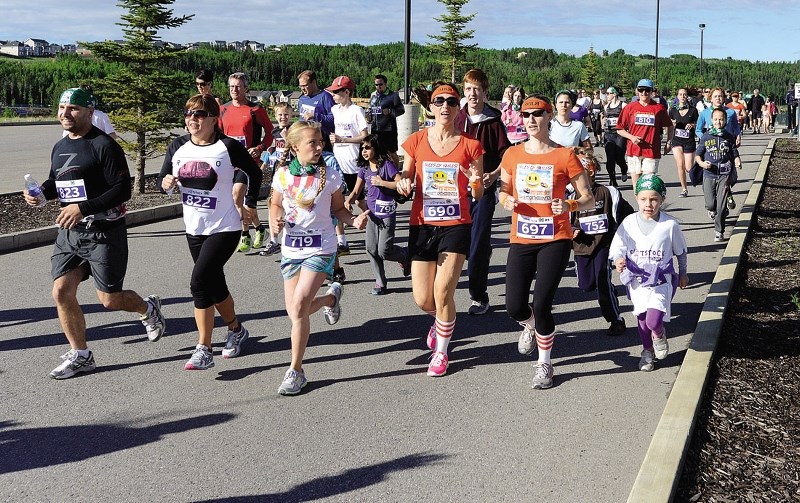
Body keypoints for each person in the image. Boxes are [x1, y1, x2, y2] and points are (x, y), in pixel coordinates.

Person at [24, 87, 165, 380]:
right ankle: (81, 354)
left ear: (90, 113)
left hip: (104, 233)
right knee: (61, 292)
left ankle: (147, 307)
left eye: (73, 108)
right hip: (71, 233)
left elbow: (122, 189)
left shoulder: (103, 145)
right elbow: (58, 180)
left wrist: (83, 208)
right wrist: (41, 193)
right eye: (62, 108)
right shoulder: (61, 146)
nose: (65, 113)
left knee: (109, 300)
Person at [498, 95, 595, 389]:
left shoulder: (564, 155)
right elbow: (502, 192)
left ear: (549, 117)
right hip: (522, 236)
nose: (531, 119)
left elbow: (588, 198)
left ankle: (545, 363)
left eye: (538, 114)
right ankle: (529, 324)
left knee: (542, 304)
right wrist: (506, 200)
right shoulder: (512, 155)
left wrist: (569, 206)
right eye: (526, 114)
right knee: (515, 306)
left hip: (555, 237)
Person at [159, 94, 262, 370]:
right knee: (215, 285)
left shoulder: (226, 147)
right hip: (194, 227)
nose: (192, 119)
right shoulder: (178, 146)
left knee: (199, 283)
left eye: (200, 114)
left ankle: (204, 348)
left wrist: (250, 203)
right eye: (188, 113)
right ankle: (237, 330)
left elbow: (255, 172)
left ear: (215, 119)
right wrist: (166, 182)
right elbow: (162, 180)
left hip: (225, 226)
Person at [269, 121, 368, 395]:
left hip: (321, 247)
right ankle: (330, 298)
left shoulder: (330, 176)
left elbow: (339, 210)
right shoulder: (283, 175)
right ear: (295, 146)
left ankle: (295, 371)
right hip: (291, 249)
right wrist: (274, 220)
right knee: (295, 312)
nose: (319, 146)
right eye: (312, 142)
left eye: (320, 142)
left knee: (299, 305)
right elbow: (275, 204)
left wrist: (353, 221)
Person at [396, 82, 485, 377]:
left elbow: (479, 192)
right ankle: (439, 321)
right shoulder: (416, 140)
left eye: (450, 101)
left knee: (443, 290)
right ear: (431, 107)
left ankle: (441, 352)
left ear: (457, 107)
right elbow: (405, 174)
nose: (444, 106)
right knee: (423, 299)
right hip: (422, 223)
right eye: (438, 101)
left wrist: (475, 180)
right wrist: (403, 182)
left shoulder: (471, 145)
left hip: (456, 224)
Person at [610, 174, 689, 372]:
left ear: (662, 199)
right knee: (642, 318)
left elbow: (681, 252)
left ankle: (659, 335)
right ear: (636, 198)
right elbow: (617, 247)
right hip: (636, 280)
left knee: (654, 320)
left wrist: (683, 274)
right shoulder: (628, 223)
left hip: (662, 279)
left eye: (654, 199)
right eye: (644, 199)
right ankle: (647, 351)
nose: (649, 204)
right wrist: (619, 260)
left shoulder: (669, 225)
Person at [455, 69, 512, 315]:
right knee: (458, 242)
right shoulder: (456, 118)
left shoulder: (493, 122)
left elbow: (507, 155)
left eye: (477, 89)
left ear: (485, 93)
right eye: (468, 89)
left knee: (477, 244)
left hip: (483, 191)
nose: (472, 94)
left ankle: (479, 296)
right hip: (456, 190)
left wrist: (494, 174)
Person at [568, 147, 634, 336]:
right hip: (582, 246)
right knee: (587, 285)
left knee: (603, 282)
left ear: (591, 171)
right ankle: (606, 288)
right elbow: (564, 221)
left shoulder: (608, 192)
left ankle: (616, 319)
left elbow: (626, 215)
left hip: (605, 246)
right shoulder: (571, 196)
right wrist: (573, 231)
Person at [345, 134, 409, 295]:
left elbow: (400, 183)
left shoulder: (386, 165)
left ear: (376, 148)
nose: (364, 151)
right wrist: (348, 201)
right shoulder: (364, 168)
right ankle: (380, 282)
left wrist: (382, 183)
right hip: (372, 214)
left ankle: (405, 255)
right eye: (362, 148)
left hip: (387, 213)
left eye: (367, 147)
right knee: (371, 249)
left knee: (384, 250)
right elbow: (356, 190)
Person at [218, 72, 274, 252]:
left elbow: (270, 133)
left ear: (246, 88)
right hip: (228, 161)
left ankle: (244, 234)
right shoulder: (223, 110)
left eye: (238, 86)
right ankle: (257, 229)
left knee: (236, 195)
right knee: (236, 200)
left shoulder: (255, 110)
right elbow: (218, 135)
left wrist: (259, 148)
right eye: (231, 86)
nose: (234, 90)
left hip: (248, 161)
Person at [328, 75, 369, 256]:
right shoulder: (334, 109)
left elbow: (364, 136)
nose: (334, 95)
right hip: (337, 163)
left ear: (347, 92)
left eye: (337, 92)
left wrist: (343, 139)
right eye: (333, 92)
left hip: (353, 164)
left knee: (358, 201)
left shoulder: (356, 111)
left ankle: (376, 220)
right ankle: (342, 243)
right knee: (336, 203)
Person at [615, 78, 674, 188]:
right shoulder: (629, 108)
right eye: (641, 90)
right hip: (634, 150)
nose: (644, 93)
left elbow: (670, 126)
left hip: (651, 150)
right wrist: (632, 137)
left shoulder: (659, 108)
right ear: (637, 91)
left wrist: (669, 142)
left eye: (647, 90)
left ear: (652, 91)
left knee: (647, 184)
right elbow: (619, 129)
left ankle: (648, 205)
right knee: (637, 185)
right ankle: (639, 206)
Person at [695, 107, 743, 242]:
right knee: (711, 204)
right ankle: (714, 210)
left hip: (724, 174)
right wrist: (702, 163)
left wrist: (737, 160)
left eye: (721, 119)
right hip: (709, 174)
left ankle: (719, 231)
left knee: (721, 206)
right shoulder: (706, 136)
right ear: (711, 120)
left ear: (725, 120)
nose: (718, 122)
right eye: (716, 119)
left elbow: (733, 151)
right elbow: (698, 155)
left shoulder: (728, 136)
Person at [258, 101, 293, 256]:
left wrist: (288, 140)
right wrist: (262, 168)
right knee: (272, 204)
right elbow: (272, 152)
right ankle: (273, 240)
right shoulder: (275, 132)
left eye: (286, 114)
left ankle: (290, 238)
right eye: (280, 114)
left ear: (291, 115)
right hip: (277, 173)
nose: (283, 117)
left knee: (289, 206)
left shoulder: (294, 131)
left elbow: (299, 151)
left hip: (292, 174)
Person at [367, 74, 405, 167]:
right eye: (376, 85)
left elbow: (401, 110)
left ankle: (396, 172)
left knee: (391, 153)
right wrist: (369, 115)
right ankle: (377, 171)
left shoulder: (393, 95)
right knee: (375, 151)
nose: (378, 87)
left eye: (380, 84)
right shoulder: (373, 95)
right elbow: (370, 108)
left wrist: (390, 111)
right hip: (375, 128)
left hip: (389, 129)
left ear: (385, 84)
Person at [669, 88, 699, 198]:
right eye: (680, 94)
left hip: (689, 140)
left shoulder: (693, 110)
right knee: (680, 165)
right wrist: (672, 124)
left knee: (688, 168)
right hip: (676, 140)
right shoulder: (672, 110)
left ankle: (698, 168)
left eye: (684, 94)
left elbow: (698, 124)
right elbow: (668, 125)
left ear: (687, 96)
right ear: (677, 96)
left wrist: (692, 125)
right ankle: (684, 189)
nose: (682, 96)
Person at [602, 86, 628, 187]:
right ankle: (612, 179)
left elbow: (628, 118)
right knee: (610, 158)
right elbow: (604, 117)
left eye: (608, 93)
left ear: (614, 94)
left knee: (619, 157)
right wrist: (603, 121)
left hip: (620, 134)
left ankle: (624, 169)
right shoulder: (606, 106)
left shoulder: (623, 105)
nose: (606, 95)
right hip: (608, 134)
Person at [296, 70, 335, 136]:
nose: (302, 89)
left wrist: (315, 115)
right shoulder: (301, 99)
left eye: (305, 85)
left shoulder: (325, 97)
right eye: (300, 86)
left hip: (322, 139)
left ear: (313, 82)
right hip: (305, 138)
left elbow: (334, 119)